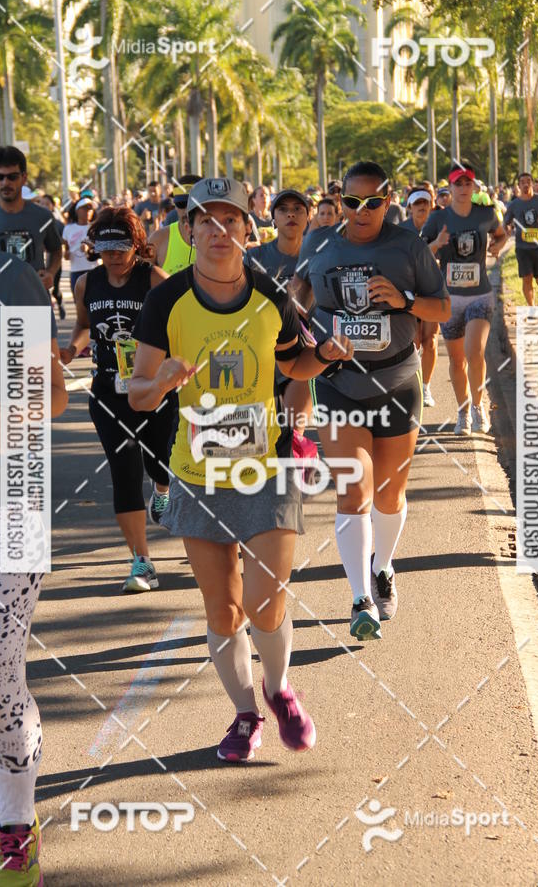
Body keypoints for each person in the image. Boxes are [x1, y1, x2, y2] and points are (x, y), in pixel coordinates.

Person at [129, 177, 352, 762]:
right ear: (188, 231)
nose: (218, 230)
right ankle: (245, 713)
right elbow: (136, 396)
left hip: (265, 470)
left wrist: (322, 359)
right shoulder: (165, 302)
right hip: (199, 474)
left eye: (230, 220)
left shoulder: (270, 295)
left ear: (246, 230)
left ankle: (279, 689)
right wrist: (163, 383)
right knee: (223, 612)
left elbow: (294, 364)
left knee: (264, 603)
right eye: (206, 220)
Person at [291, 161, 450, 640]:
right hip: (341, 384)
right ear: (340, 200)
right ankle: (361, 598)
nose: (362, 211)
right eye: (353, 202)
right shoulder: (320, 245)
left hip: (399, 381)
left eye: (373, 202)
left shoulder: (407, 246)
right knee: (354, 489)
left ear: (388, 201)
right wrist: (311, 343)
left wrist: (403, 301)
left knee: (389, 494)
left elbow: (441, 308)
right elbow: (292, 302)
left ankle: (383, 566)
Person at [0, 246, 68, 887]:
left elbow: (54, 395)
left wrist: (12, 418)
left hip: (11, 501)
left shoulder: (8, 279)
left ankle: (17, 825)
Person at [60, 206, 176, 593]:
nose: (112, 254)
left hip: (156, 390)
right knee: (124, 473)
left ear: (136, 245)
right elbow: (82, 324)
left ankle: (162, 490)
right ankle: (142, 561)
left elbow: (180, 325)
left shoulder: (154, 280)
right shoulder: (87, 284)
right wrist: (70, 349)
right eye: (105, 245)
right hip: (108, 394)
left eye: (120, 245)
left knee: (159, 461)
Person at [421, 162, 507, 435]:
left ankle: (478, 407)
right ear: (449, 186)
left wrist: (497, 246)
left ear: (473, 185)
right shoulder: (437, 219)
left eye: (467, 182)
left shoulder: (486, 214)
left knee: (475, 351)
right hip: (450, 300)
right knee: (457, 361)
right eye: (457, 183)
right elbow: (421, 253)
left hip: (480, 295)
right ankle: (463, 410)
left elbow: (502, 234)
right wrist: (437, 243)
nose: (462, 188)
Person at [247, 189, 317, 474]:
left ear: (307, 216)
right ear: (272, 218)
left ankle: (290, 486)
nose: (291, 214)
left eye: (298, 209)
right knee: (260, 441)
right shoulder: (255, 258)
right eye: (283, 209)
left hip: (304, 354)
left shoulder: (321, 257)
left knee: (290, 435)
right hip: (260, 356)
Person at [0, 146, 62, 296]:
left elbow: (56, 250)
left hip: (32, 299)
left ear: (24, 178)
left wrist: (50, 273)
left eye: (12, 177)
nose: (5, 183)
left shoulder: (42, 216)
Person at [400, 188, 439, 407]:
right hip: (408, 291)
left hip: (433, 290)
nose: (422, 207)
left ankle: (425, 387)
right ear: (410, 207)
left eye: (426, 203)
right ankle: (411, 384)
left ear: (432, 205)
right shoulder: (400, 231)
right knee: (412, 341)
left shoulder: (439, 227)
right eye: (418, 204)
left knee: (430, 340)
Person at [503, 172, 538, 306]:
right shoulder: (514, 205)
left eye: (528, 181)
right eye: (522, 182)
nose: (526, 184)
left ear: (532, 184)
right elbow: (505, 223)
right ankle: (532, 308)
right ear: (519, 186)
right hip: (522, 248)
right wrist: (507, 229)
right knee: (526, 279)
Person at [148, 187, 196, 274]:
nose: (187, 211)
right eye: (181, 204)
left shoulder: (220, 238)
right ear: (176, 207)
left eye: (193, 204)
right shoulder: (158, 239)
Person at [36, 193, 67, 320]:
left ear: (53, 206)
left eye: (47, 204)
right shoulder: (34, 222)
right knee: (43, 291)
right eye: (41, 203)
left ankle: (60, 303)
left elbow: (64, 242)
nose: (43, 206)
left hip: (53, 262)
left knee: (55, 289)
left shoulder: (58, 224)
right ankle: (50, 314)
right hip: (39, 264)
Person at [62, 197, 97, 295]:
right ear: (77, 211)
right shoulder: (68, 229)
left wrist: (89, 249)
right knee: (79, 305)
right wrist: (66, 255)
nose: (88, 211)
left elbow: (101, 250)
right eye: (85, 208)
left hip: (93, 270)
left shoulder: (95, 227)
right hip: (76, 271)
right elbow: (66, 252)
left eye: (90, 209)